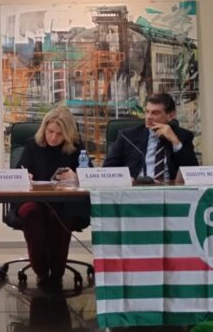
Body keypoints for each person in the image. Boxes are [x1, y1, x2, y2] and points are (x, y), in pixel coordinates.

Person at [15, 107, 89, 291]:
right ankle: (40, 270)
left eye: (59, 134)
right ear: (44, 128)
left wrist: (76, 176)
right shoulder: (32, 144)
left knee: (59, 216)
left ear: (68, 134)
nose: (53, 137)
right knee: (30, 212)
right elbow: (17, 173)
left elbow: (91, 175)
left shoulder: (76, 147)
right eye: (50, 131)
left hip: (63, 202)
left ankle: (56, 273)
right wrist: (24, 177)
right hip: (34, 200)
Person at [103, 93, 198, 181]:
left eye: (155, 113)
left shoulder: (183, 136)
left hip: (170, 189)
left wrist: (175, 142)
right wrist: (126, 179)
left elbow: (193, 173)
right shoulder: (127, 136)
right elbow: (107, 169)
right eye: (147, 112)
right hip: (136, 189)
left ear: (171, 115)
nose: (148, 117)